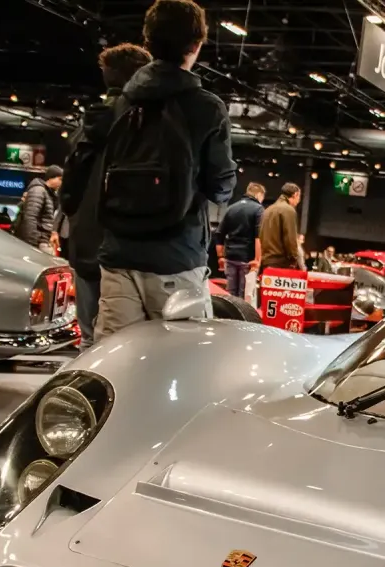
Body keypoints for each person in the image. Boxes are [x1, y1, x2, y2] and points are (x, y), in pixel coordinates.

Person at [95, 0, 238, 339]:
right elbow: (221, 187)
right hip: (177, 257)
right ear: (196, 45)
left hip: (118, 251)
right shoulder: (206, 108)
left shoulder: (121, 103)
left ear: (148, 41)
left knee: (114, 358)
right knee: (182, 358)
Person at [60, 42, 153, 349]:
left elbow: (68, 192)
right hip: (128, 248)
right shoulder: (149, 127)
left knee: (89, 340)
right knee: (132, 344)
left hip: (86, 242)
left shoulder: (85, 128)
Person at [215, 181, 264, 299]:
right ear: (259, 195)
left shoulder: (231, 208)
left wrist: (220, 256)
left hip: (230, 257)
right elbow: (259, 236)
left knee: (230, 294)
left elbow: (219, 233)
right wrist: (257, 259)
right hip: (247, 259)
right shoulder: (258, 209)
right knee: (245, 294)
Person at [16, 166, 63, 252]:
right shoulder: (38, 190)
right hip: (38, 242)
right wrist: (32, 243)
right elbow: (30, 217)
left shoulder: (48, 193)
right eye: (60, 179)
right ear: (51, 178)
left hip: (42, 240)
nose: (61, 183)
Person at [259, 182, 302, 270]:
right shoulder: (288, 210)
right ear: (295, 194)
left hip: (265, 260)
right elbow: (290, 237)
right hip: (280, 262)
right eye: (299, 197)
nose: (299, 200)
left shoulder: (268, 209)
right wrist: (294, 258)